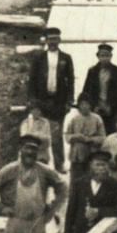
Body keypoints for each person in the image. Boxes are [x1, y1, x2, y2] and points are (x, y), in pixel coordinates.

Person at [24, 27, 74, 169]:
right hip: (41, 101)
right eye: (50, 39)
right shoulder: (38, 58)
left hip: (59, 101)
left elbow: (70, 81)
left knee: (57, 136)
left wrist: (70, 101)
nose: (53, 42)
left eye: (55, 39)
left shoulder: (66, 58)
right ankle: (39, 165)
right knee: (39, 134)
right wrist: (33, 103)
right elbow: (32, 80)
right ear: (45, 41)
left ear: (59, 40)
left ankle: (59, 165)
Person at [78, 42, 117, 131]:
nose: (104, 58)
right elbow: (86, 92)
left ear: (111, 56)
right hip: (96, 109)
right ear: (98, 56)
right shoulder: (92, 72)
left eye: (107, 56)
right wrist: (92, 107)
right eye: (102, 55)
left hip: (114, 111)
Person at [63, 94, 107, 202]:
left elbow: (102, 138)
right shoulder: (74, 119)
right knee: (76, 181)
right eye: (82, 104)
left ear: (90, 105)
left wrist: (90, 140)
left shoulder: (97, 119)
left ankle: (91, 202)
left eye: (87, 104)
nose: (84, 107)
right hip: (77, 156)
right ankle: (75, 201)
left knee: (90, 181)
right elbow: (67, 137)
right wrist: (76, 137)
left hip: (91, 155)